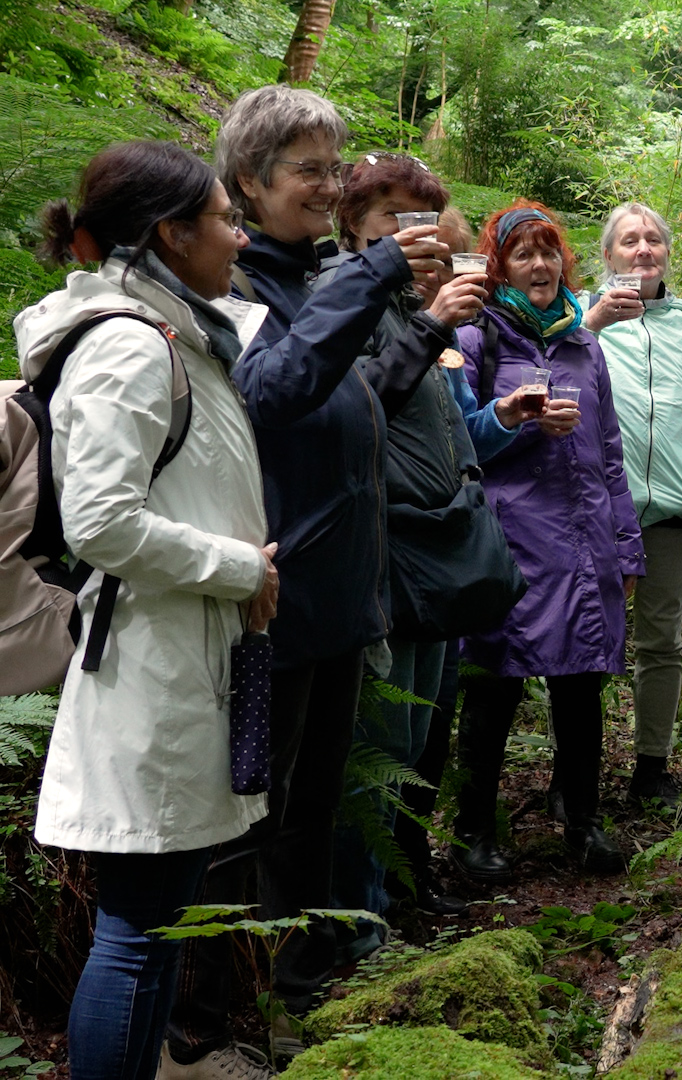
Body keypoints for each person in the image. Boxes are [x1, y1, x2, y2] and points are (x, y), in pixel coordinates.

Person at [164, 85, 449, 1079]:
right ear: (248, 183)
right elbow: (273, 397)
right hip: (266, 607)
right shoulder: (235, 290)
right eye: (309, 172)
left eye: (337, 167)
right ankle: (212, 1025)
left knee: (308, 818)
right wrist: (368, 276)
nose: (332, 187)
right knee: (247, 821)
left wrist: (414, 324)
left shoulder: (315, 275)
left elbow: (353, 401)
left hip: (334, 603)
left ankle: (288, 995)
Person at [22, 141, 277, 1080]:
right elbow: (101, 523)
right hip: (150, 664)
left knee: (158, 921)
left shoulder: (177, 331)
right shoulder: (130, 342)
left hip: (183, 653)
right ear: (170, 235)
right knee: (137, 929)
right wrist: (239, 567)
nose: (238, 231)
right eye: (222, 215)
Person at [323, 155, 540, 952]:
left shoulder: (425, 316)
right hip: (386, 555)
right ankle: (356, 934)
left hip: (442, 552)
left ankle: (393, 900)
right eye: (391, 218)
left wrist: (505, 419)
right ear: (354, 227)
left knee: (416, 746)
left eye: (423, 220)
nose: (412, 235)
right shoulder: (344, 307)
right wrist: (432, 323)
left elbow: (453, 435)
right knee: (377, 751)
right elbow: (350, 406)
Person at [452, 200, 644, 877]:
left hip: (584, 539)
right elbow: (460, 443)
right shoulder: (479, 337)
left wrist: (626, 544)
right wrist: (512, 418)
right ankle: (473, 832)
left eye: (549, 250)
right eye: (524, 253)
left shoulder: (582, 341)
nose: (540, 264)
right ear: (500, 264)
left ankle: (584, 824)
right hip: (510, 545)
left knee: (579, 686)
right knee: (495, 686)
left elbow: (610, 448)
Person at [587, 202, 682, 807]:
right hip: (595, 508)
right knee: (587, 641)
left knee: (662, 641)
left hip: (673, 508)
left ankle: (651, 767)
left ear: (667, 253)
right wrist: (590, 321)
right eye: (629, 241)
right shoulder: (581, 319)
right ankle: (577, 774)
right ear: (609, 256)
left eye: (653, 240)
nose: (642, 249)